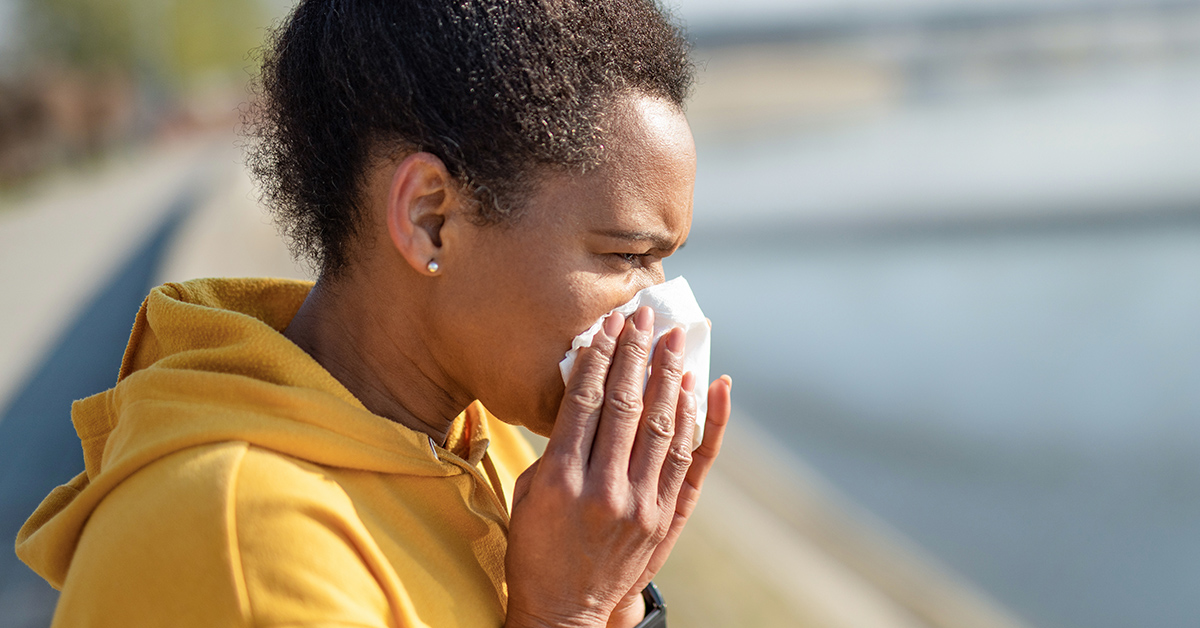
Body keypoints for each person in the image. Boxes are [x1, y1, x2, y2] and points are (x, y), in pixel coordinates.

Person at [15, 0, 733, 626]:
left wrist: (620, 596)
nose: (657, 303)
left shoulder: (491, 446)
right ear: (430, 219)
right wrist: (564, 611)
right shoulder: (242, 537)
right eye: (627, 256)